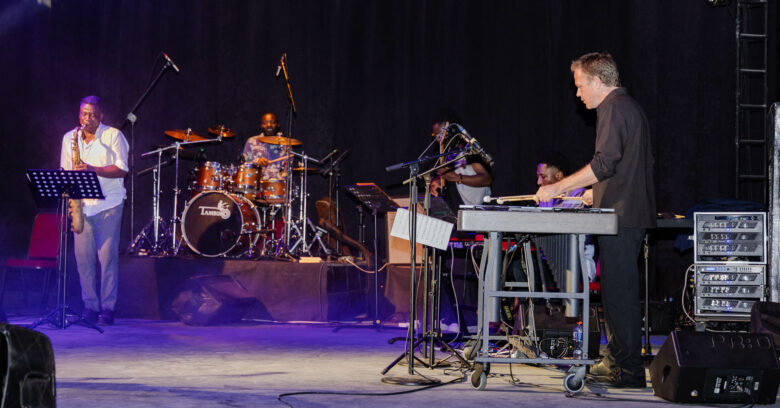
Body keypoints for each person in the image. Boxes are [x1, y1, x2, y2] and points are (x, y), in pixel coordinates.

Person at [535, 52, 655, 388]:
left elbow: (604, 164)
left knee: (619, 296)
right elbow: (625, 165)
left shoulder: (613, 108)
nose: (578, 94)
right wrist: (595, 193)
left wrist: (557, 187)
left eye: (580, 86)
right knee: (617, 292)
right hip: (623, 211)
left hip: (622, 217)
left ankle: (627, 369)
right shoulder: (627, 107)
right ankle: (617, 360)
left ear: (597, 82)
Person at [60, 95, 129, 326]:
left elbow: (122, 169)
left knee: (107, 258)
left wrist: (92, 169)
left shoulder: (114, 136)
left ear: (101, 116)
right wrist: (70, 197)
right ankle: (90, 307)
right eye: (83, 113)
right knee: (83, 260)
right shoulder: (69, 138)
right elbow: (65, 171)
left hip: (109, 204)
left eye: (92, 114)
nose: (87, 118)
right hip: (82, 205)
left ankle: (108, 308)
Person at [429, 112, 492, 210]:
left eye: (440, 134)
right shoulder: (450, 152)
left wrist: (458, 178)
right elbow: (452, 175)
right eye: (435, 135)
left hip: (480, 209)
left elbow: (486, 179)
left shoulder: (469, 150)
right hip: (463, 208)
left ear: (452, 131)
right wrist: (439, 181)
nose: (437, 139)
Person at [242, 112, 290, 180]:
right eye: (265, 123)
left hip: (277, 184)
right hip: (256, 183)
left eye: (272, 122)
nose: (269, 125)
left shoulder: (285, 144)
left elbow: (287, 170)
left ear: (278, 125)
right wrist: (256, 162)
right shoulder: (251, 142)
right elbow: (245, 164)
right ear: (261, 126)